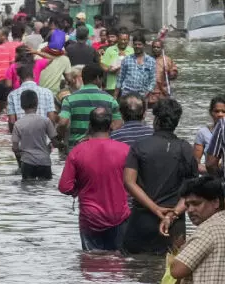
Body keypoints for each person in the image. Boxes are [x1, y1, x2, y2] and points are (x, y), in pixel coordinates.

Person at [124, 98, 197, 255]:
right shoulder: (185, 149)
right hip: (174, 226)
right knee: (171, 272)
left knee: (136, 272)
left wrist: (155, 208)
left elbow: (129, 182)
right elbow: (192, 189)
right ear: (176, 122)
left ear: (156, 120)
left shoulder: (139, 146)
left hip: (142, 221)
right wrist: (173, 213)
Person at [59, 108, 131, 251]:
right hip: (119, 215)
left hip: (90, 217)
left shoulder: (77, 151)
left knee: (91, 263)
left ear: (89, 125)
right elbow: (135, 183)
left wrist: (79, 189)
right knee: (117, 264)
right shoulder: (126, 150)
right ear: (110, 125)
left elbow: (64, 187)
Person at [57, 63, 122, 150]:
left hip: (76, 148)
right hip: (102, 148)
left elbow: (62, 123)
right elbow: (118, 124)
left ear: (83, 78)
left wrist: (60, 137)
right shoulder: (110, 100)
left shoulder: (69, 99)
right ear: (98, 78)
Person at [11, 90, 57, 180]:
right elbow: (55, 142)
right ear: (37, 103)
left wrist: (21, 153)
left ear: (21, 106)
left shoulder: (18, 124)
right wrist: (50, 147)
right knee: (45, 188)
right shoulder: (46, 121)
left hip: (27, 163)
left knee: (27, 189)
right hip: (44, 162)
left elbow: (15, 148)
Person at [7, 63, 56, 132]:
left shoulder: (12, 95)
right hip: (43, 136)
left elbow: (12, 122)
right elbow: (51, 118)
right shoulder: (47, 92)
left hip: (23, 137)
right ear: (34, 75)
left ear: (19, 78)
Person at [193, 94, 225, 170]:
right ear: (211, 112)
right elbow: (195, 164)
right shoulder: (203, 133)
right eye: (216, 111)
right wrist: (212, 170)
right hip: (211, 175)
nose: (220, 114)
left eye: (224, 111)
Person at [115, 35, 156, 99]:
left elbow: (153, 80)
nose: (137, 46)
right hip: (127, 94)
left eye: (139, 44)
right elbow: (120, 79)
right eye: (135, 44)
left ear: (144, 45)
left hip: (142, 95)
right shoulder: (126, 59)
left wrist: (146, 94)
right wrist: (115, 96)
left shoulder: (151, 61)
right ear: (132, 45)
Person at [101, 28, 132, 93]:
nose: (123, 42)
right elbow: (103, 65)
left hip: (128, 86)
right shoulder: (110, 50)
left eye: (125, 40)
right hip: (112, 86)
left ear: (128, 40)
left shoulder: (132, 51)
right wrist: (109, 70)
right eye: (121, 40)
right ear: (118, 39)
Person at [148, 39, 177, 106]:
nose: (156, 49)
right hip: (149, 94)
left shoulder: (167, 60)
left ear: (162, 48)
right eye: (154, 47)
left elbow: (174, 76)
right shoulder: (147, 59)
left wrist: (169, 72)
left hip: (162, 94)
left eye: (158, 47)